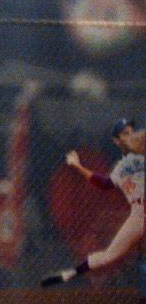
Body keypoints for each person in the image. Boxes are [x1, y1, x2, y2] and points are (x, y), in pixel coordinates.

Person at [41, 118, 144, 287]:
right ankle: (70, 274)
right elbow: (104, 184)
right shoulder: (121, 167)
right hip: (137, 217)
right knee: (110, 255)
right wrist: (79, 167)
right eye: (124, 135)